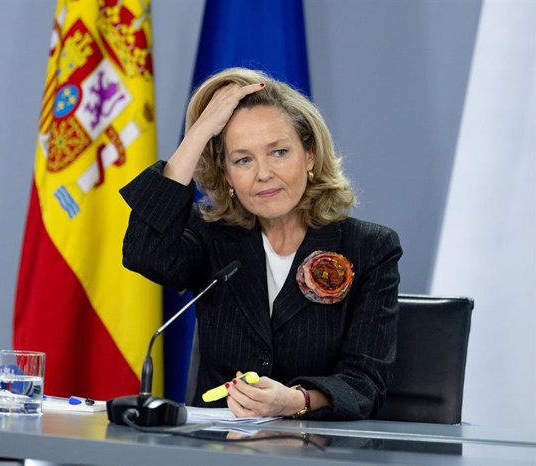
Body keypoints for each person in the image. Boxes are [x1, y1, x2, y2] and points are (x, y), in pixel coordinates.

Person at [120, 67, 402, 420]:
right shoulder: (211, 237)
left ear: (310, 155)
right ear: (227, 175)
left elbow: (365, 385)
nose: (263, 173)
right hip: (218, 449)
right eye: (242, 160)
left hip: (319, 451)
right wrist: (199, 134)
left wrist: (296, 400)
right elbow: (144, 252)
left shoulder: (370, 248)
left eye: (279, 152)